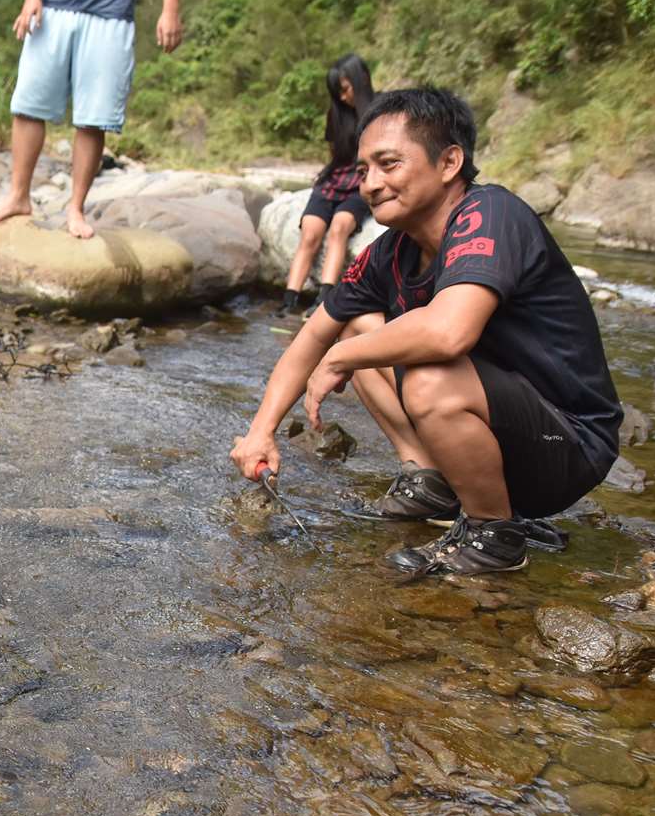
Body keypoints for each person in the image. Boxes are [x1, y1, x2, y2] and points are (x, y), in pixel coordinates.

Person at [230, 87, 622, 576]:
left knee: (423, 374)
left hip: (569, 442)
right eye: (363, 170)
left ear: (449, 162)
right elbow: (312, 336)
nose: (370, 184)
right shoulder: (388, 252)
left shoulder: (491, 215)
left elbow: (448, 334)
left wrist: (338, 360)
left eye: (389, 164)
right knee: (357, 327)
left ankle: (493, 533)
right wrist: (260, 432)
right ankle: (431, 481)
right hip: (498, 431)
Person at [0, 0, 182, 239]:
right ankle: (18, 196)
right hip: (55, 8)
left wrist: (170, 9)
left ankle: (75, 209)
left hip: (111, 16)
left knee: (94, 119)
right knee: (28, 105)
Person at [280, 53, 376, 315]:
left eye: (345, 90)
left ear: (362, 79)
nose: (343, 98)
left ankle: (323, 301)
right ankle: (288, 301)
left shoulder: (382, 110)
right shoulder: (336, 114)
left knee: (339, 227)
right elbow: (335, 155)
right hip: (334, 181)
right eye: (338, 93)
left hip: (361, 181)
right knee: (310, 232)